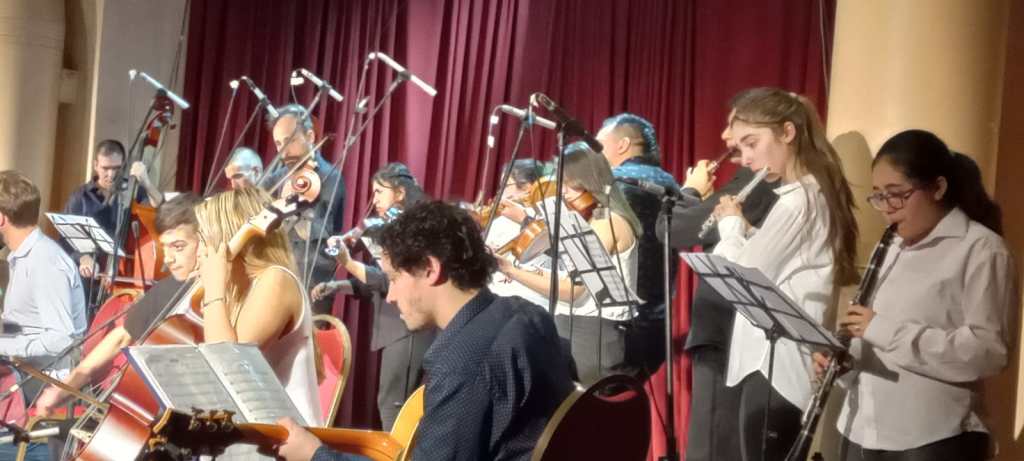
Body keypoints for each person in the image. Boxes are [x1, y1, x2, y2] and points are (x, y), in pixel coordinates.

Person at [276, 200, 575, 461]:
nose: (391, 296)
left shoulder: (461, 363)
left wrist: (316, 455)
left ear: (430, 269)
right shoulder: (528, 314)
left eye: (394, 278)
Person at [812, 129, 1013, 461]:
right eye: (878, 196)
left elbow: (988, 352)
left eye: (896, 195)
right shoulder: (891, 246)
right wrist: (846, 361)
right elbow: (872, 334)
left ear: (938, 188)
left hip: (933, 436)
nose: (886, 209)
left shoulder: (981, 249)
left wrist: (881, 329)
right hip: (863, 427)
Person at [711, 87, 858, 461]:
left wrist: (730, 226)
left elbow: (743, 274)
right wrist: (747, 231)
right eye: (741, 147)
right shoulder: (805, 195)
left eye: (752, 143)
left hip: (778, 360)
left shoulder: (800, 200)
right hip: (773, 358)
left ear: (788, 133)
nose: (746, 158)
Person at [656, 108, 781, 461]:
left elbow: (671, 228)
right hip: (735, 332)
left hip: (726, 330)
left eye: (741, 133)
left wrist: (690, 190)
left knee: (711, 447)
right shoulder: (757, 182)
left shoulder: (756, 183)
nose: (726, 137)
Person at [33, 193, 204, 416]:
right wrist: (64, 388)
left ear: (205, 240)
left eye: (179, 247)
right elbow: (122, 336)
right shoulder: (171, 287)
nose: (168, 258)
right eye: (165, 247)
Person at [497, 142, 641, 386]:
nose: (562, 192)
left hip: (592, 333)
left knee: (589, 405)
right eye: (561, 183)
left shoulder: (607, 223)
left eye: (569, 184)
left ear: (590, 180)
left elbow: (572, 291)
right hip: (577, 328)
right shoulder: (593, 221)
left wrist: (510, 270)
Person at [311, 163, 434, 430]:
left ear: (400, 193)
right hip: (396, 329)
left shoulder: (409, 231)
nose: (374, 199)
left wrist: (347, 262)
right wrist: (338, 286)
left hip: (408, 328)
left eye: (379, 191)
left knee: (393, 406)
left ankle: (400, 452)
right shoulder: (386, 229)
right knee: (391, 404)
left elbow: (390, 280)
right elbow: (374, 285)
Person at [195, 186, 321, 426]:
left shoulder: (276, 280)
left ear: (228, 239)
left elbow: (228, 366)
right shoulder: (235, 291)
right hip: (251, 430)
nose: (199, 251)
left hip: (287, 437)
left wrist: (213, 289)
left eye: (204, 239)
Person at [0, 171, 88, 461]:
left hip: (44, 380)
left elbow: (62, 338)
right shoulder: (25, 254)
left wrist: (4, 345)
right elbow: (26, 324)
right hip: (25, 369)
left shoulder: (45, 261)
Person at [595, 113, 681, 376]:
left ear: (622, 145)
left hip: (613, 322)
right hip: (657, 319)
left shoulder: (612, 182)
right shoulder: (670, 183)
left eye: (598, 145)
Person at [259, 104, 346, 315]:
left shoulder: (330, 176)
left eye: (290, 141)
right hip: (276, 275)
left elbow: (319, 233)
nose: (283, 151)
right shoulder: (277, 177)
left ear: (310, 136)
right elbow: (256, 209)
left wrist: (287, 210)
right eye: (278, 143)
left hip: (312, 280)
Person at [63, 139, 163, 281]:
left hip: (125, 275)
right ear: (96, 165)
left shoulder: (134, 192)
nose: (111, 174)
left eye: (117, 168)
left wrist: (146, 182)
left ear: (124, 166)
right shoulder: (80, 197)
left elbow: (159, 207)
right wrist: (83, 258)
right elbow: (65, 240)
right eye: (105, 168)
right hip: (88, 280)